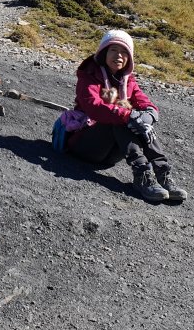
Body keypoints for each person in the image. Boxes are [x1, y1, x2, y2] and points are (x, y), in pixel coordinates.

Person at [65, 29, 187, 202]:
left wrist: (148, 117)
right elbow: (94, 107)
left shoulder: (127, 80)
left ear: (129, 58)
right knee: (121, 117)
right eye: (113, 50)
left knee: (140, 122)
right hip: (85, 146)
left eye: (124, 52)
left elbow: (147, 104)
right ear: (104, 52)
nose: (119, 56)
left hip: (109, 154)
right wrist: (130, 117)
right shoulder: (89, 75)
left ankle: (162, 173)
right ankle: (142, 175)